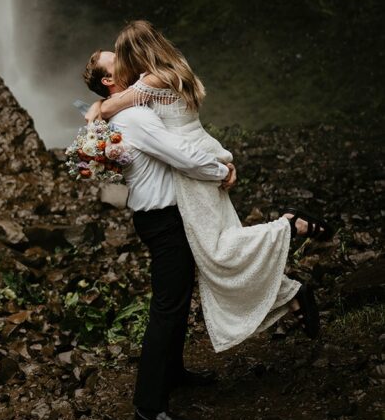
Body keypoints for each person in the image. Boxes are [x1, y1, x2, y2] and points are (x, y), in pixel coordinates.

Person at [84, 24, 329, 370]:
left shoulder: (147, 85)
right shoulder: (174, 67)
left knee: (217, 251)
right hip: (204, 154)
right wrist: (221, 163)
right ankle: (289, 296)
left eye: (122, 55)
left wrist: (97, 109)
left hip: (194, 171)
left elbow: (114, 108)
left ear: (136, 54)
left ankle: (289, 226)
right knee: (220, 249)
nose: (122, 64)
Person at [83, 48, 237, 420]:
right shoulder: (134, 116)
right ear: (107, 79)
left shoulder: (124, 106)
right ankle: (149, 409)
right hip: (162, 219)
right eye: (115, 58)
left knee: (178, 299)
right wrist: (222, 170)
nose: (125, 56)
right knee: (167, 308)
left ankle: (174, 373)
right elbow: (180, 154)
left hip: (165, 217)